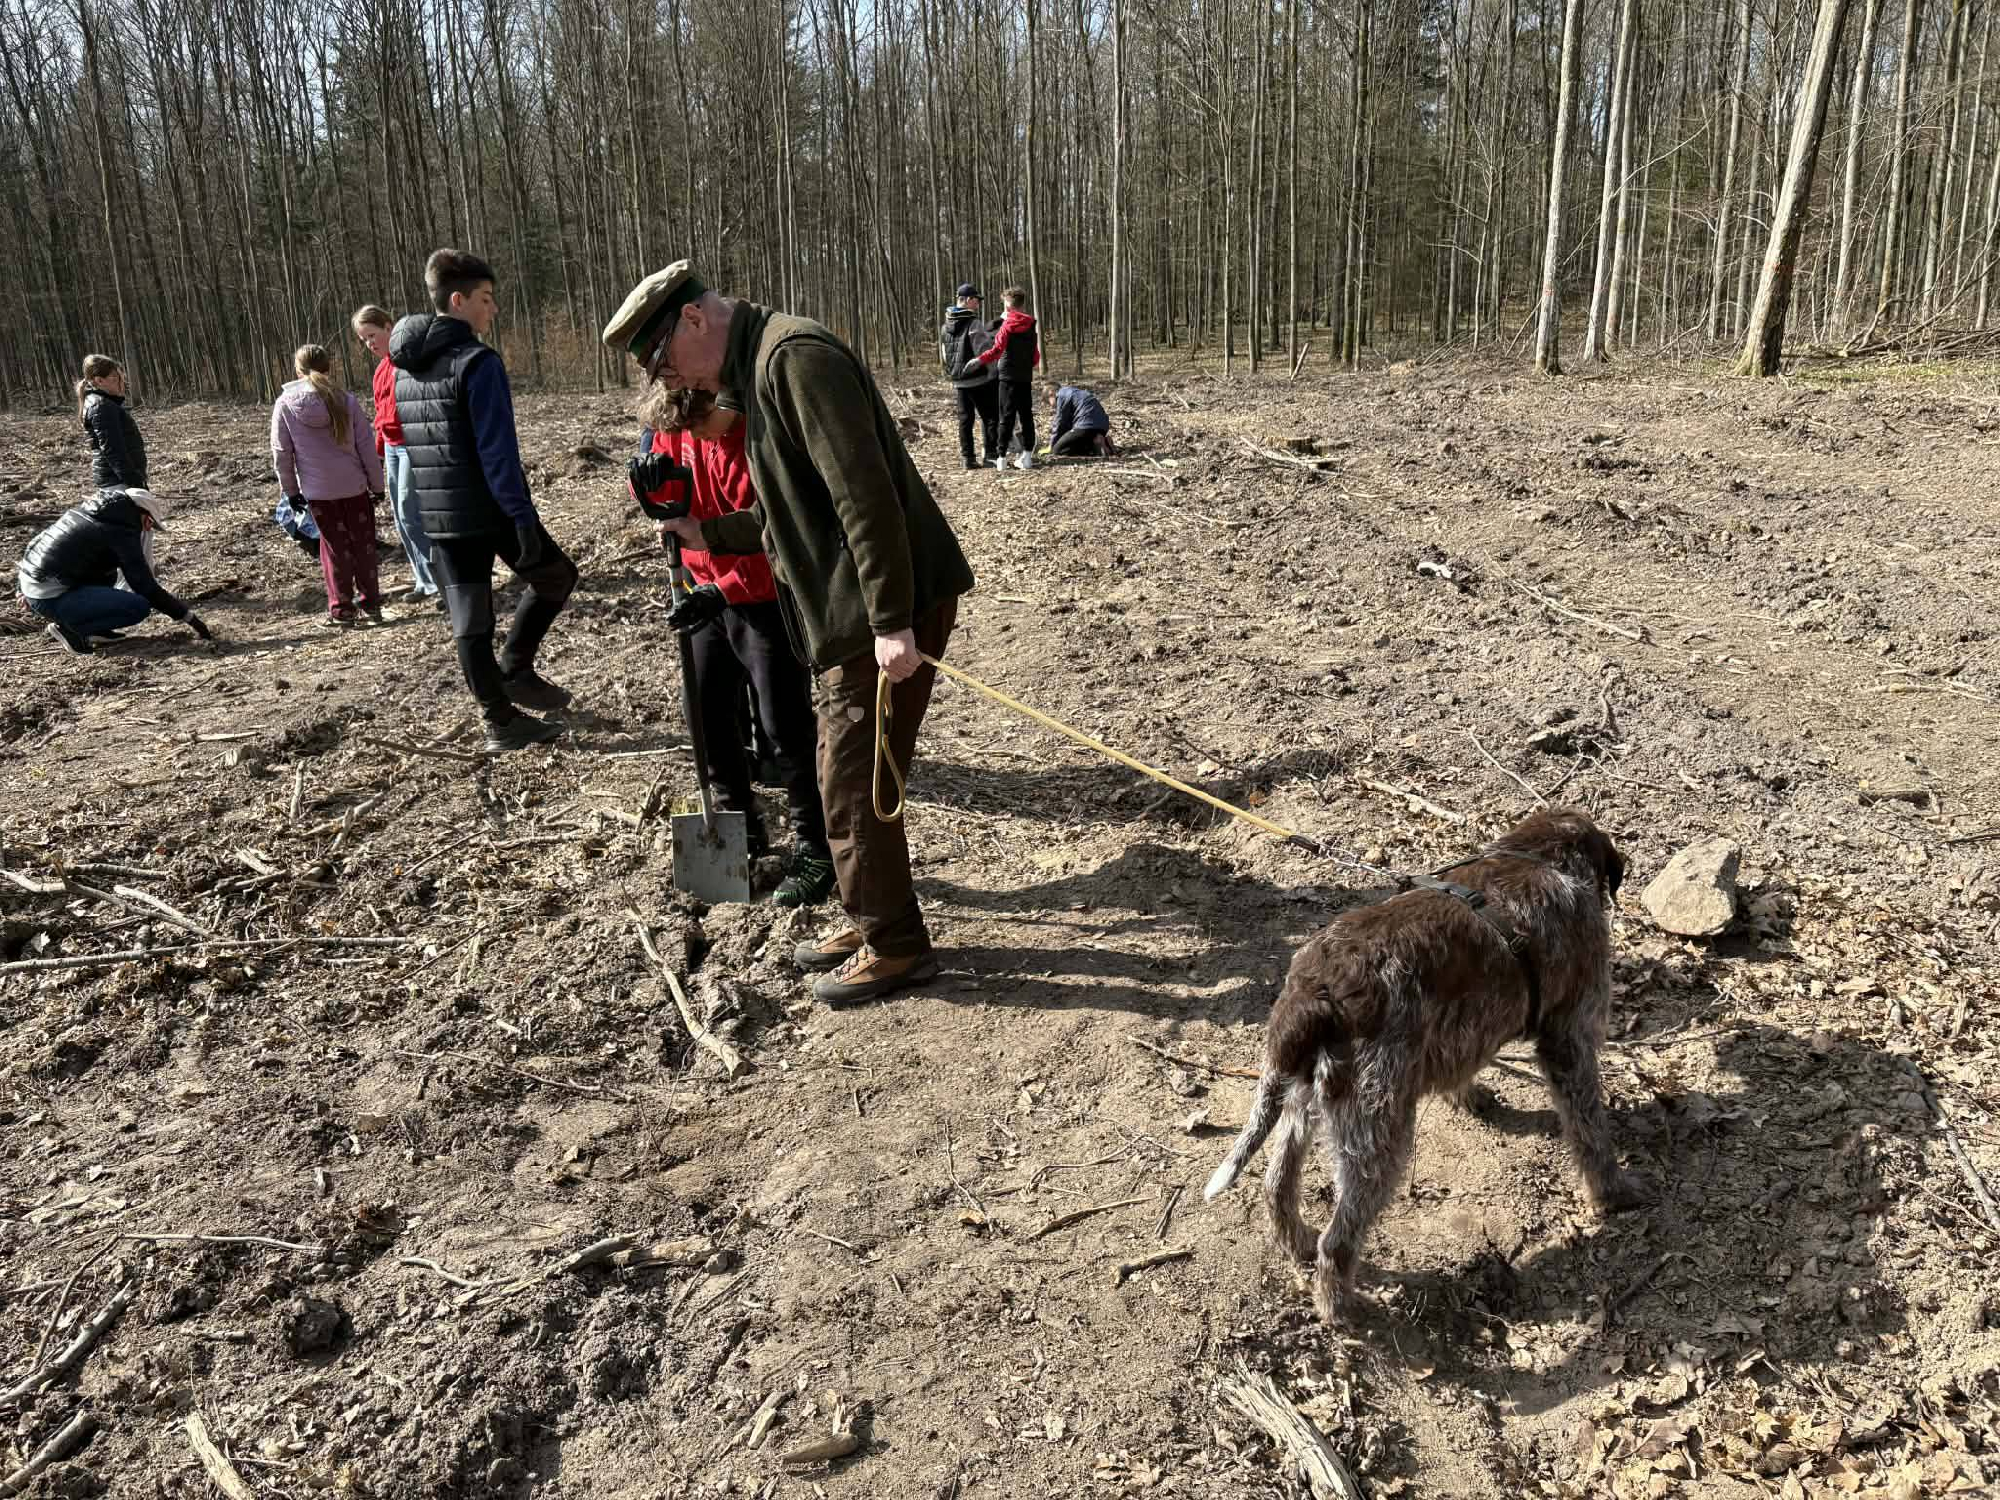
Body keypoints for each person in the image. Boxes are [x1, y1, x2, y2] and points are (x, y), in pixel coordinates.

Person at [603, 261, 975, 1008]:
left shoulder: (793, 359)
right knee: (846, 774)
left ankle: (895, 945)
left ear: (694, 319)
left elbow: (864, 497)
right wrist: (704, 531)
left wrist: (891, 621)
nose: (673, 381)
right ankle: (870, 918)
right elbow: (786, 512)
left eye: (666, 361)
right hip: (851, 608)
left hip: (874, 609)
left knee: (853, 785)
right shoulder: (756, 371)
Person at [633, 386, 835, 909]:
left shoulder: (750, 440)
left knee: (783, 723)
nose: (683, 438)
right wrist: (651, 489)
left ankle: (816, 844)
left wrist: (722, 588)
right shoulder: (675, 428)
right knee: (704, 711)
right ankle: (736, 822)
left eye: (689, 429)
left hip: (764, 596)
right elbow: (675, 499)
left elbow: (776, 540)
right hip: (701, 588)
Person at [391, 248, 577, 754]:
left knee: (469, 619)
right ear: (458, 301)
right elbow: (497, 451)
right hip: (489, 508)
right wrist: (522, 516)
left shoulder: (404, 369)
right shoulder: (478, 362)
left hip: (439, 513)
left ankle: (500, 719)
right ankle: (515, 669)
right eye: (486, 298)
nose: (493, 308)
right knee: (557, 576)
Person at [16, 488, 211, 655]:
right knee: (138, 607)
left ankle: (98, 630)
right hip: (51, 597)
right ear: (141, 514)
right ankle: (73, 630)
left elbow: (36, 544)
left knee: (109, 573)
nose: (147, 530)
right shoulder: (121, 531)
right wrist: (189, 618)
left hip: (36, 588)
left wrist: (21, 588)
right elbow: (145, 586)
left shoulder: (88, 512)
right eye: (149, 524)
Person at [273, 344, 387, 628]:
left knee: (334, 549)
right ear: (329, 367)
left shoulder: (285, 404)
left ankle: (343, 610)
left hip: (318, 493)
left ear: (297, 371)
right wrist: (377, 485)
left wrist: (291, 492)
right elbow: (366, 446)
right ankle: (371, 605)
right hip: (354, 487)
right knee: (363, 546)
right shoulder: (346, 400)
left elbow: (282, 453)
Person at [354, 305, 440, 608]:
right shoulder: (380, 370)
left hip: (411, 445)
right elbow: (381, 415)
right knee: (401, 517)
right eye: (364, 339)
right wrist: (378, 453)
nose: (369, 343)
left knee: (408, 510)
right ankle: (424, 580)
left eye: (372, 335)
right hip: (391, 447)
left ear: (389, 327)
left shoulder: (407, 363)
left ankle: (440, 580)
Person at [974, 286, 1040, 469]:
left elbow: (996, 351)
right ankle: (1027, 457)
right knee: (1026, 415)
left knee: (1006, 416)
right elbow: (1036, 356)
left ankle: (1001, 458)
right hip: (1025, 377)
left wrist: (979, 360)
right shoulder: (1031, 325)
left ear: (1009, 306)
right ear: (1022, 304)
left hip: (1007, 376)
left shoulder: (1006, 326)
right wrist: (1025, 365)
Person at [939, 283, 997, 471]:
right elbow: (983, 350)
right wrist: (993, 371)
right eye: (976, 300)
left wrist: (953, 374)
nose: (978, 304)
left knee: (965, 420)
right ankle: (990, 456)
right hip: (979, 378)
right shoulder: (973, 323)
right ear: (967, 300)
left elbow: (944, 355)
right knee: (990, 417)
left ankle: (967, 458)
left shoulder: (945, 326)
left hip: (959, 381)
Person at [76, 354, 146, 492]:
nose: (122, 382)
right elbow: (113, 451)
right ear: (99, 380)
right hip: (118, 483)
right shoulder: (101, 406)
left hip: (118, 481)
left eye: (121, 377)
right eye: (115, 378)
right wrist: (136, 484)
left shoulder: (102, 404)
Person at [1048, 384, 1116, 458]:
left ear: (1051, 394)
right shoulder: (1076, 392)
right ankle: (1102, 442)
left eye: (1048, 402)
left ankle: (1093, 446)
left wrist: (1052, 445)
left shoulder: (1061, 394)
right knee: (1079, 440)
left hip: (1086, 425)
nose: (1052, 407)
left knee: (1057, 450)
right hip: (1102, 427)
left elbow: (1060, 423)